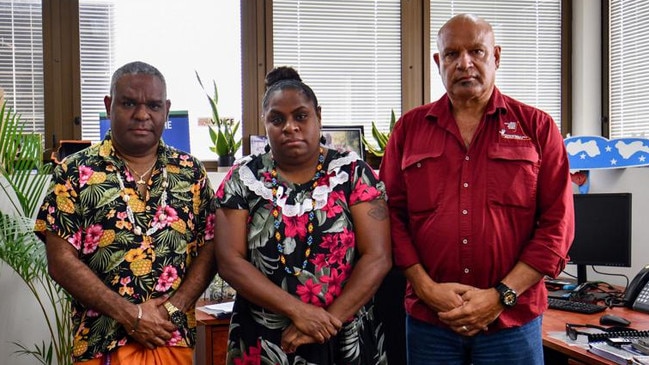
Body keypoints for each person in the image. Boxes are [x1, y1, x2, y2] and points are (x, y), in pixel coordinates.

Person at [379, 14, 575, 365]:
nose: (464, 63)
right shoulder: (409, 130)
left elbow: (557, 225)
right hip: (430, 321)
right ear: (439, 62)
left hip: (512, 323)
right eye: (452, 54)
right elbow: (390, 215)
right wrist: (426, 288)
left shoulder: (537, 127)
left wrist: (501, 296)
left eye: (476, 51)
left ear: (496, 57)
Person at [34, 61, 217, 364]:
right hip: (100, 342)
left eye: (154, 105)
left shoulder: (190, 171)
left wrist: (174, 308)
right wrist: (131, 315)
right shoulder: (75, 172)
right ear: (109, 105)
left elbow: (211, 246)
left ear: (166, 110)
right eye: (129, 103)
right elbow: (60, 261)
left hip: (171, 338)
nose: (142, 114)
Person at [213, 66, 392, 364]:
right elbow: (229, 261)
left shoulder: (353, 173)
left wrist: (324, 321)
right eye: (277, 119)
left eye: (300, 116)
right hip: (264, 337)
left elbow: (378, 256)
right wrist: (299, 312)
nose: (290, 127)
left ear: (318, 115)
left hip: (342, 331)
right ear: (265, 122)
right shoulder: (242, 178)